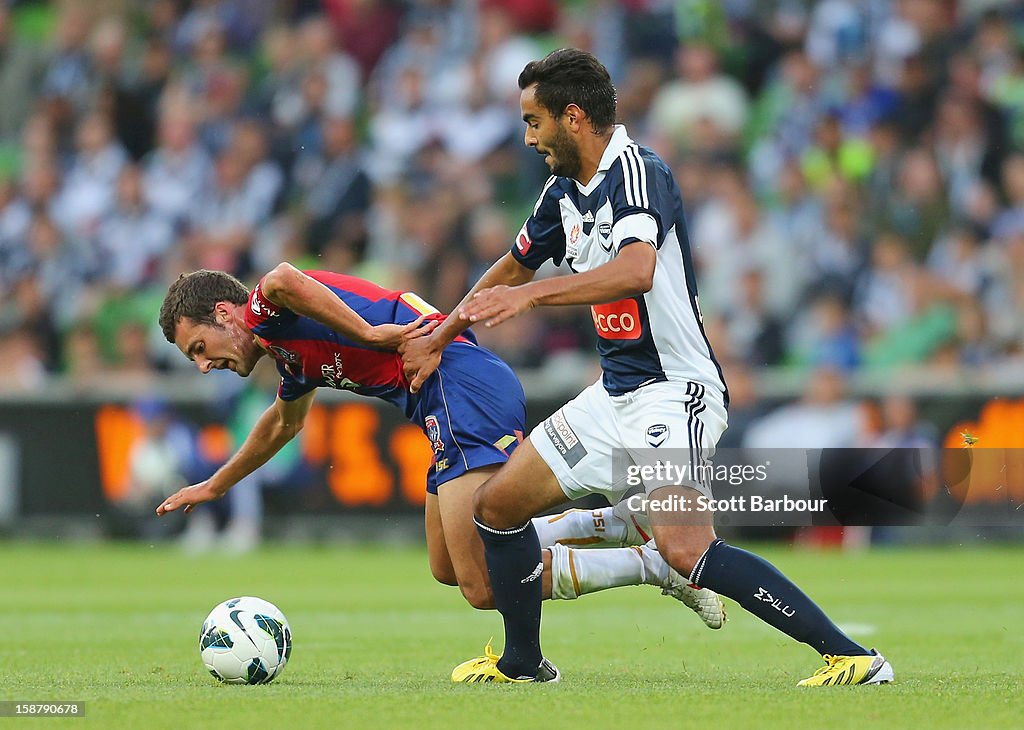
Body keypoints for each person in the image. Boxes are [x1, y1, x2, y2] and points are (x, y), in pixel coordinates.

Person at [401, 48, 893, 686]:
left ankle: (854, 657)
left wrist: (528, 297)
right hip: (614, 396)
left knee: (687, 549)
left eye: (533, 122)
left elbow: (637, 270)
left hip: (674, 392)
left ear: (572, 117)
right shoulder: (563, 193)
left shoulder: (639, 172)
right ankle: (524, 662)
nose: (527, 138)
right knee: (498, 508)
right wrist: (443, 331)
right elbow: (514, 264)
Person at [154, 265, 725, 626]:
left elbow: (282, 277)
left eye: (200, 347)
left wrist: (370, 334)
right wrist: (215, 485)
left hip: (460, 382)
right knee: (448, 568)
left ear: (226, 314)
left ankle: (656, 567)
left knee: (482, 583)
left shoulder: (267, 307)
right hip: (441, 406)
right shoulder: (287, 352)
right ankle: (619, 525)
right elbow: (283, 424)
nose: (205, 365)